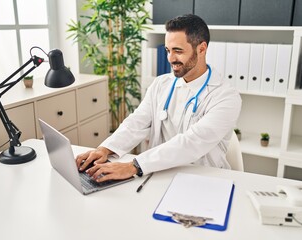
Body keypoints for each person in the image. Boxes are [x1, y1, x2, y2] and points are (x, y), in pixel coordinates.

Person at [76, 14, 242, 182]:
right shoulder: (161, 84)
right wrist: (105, 149)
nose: (170, 58)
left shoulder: (226, 97)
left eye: (178, 51)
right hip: (158, 174)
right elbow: (137, 122)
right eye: (168, 50)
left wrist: (135, 166)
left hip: (203, 179)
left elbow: (191, 143)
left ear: (201, 48)